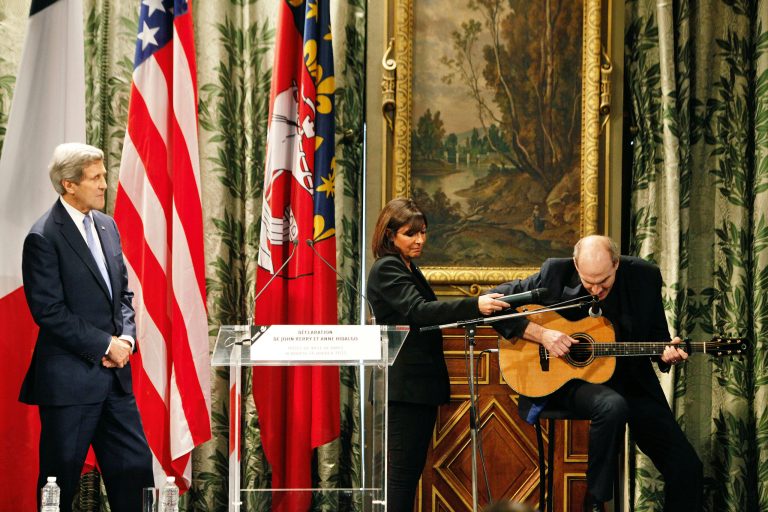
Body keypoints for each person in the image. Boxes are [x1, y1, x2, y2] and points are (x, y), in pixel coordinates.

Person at [490, 235, 703, 512]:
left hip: (631, 381)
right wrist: (542, 334)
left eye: (603, 282)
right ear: (577, 265)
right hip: (573, 381)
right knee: (612, 405)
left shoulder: (643, 277)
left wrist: (667, 353)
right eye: (588, 281)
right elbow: (494, 306)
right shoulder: (555, 272)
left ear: (616, 264)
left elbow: (656, 339)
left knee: (686, 466)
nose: (595, 289)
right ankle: (595, 501)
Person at [19, 143, 153, 512]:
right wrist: (105, 345)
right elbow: (49, 311)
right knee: (58, 483)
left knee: (137, 473)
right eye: (95, 178)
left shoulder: (107, 226)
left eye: (104, 175)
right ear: (68, 185)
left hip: (115, 382)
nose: (105, 185)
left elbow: (122, 294)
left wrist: (125, 337)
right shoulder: (43, 236)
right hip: (70, 384)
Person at [366, 198, 510, 512]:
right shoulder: (387, 267)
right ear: (390, 235)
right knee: (402, 476)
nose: (419, 240)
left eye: (423, 232)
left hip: (417, 388)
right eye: (410, 233)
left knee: (408, 472)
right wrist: (476, 305)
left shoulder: (406, 265)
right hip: (403, 389)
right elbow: (419, 311)